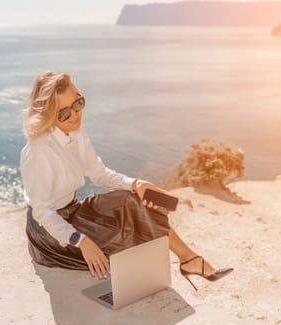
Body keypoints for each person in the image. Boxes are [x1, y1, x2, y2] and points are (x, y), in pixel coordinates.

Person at [20, 71, 232, 291]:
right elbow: (43, 212)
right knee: (128, 222)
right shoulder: (39, 151)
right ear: (47, 115)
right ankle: (186, 262)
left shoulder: (76, 133)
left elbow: (99, 173)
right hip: (51, 234)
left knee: (135, 199)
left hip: (74, 212)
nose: (74, 115)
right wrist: (80, 240)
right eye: (63, 113)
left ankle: (189, 259)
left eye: (78, 104)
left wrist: (135, 184)